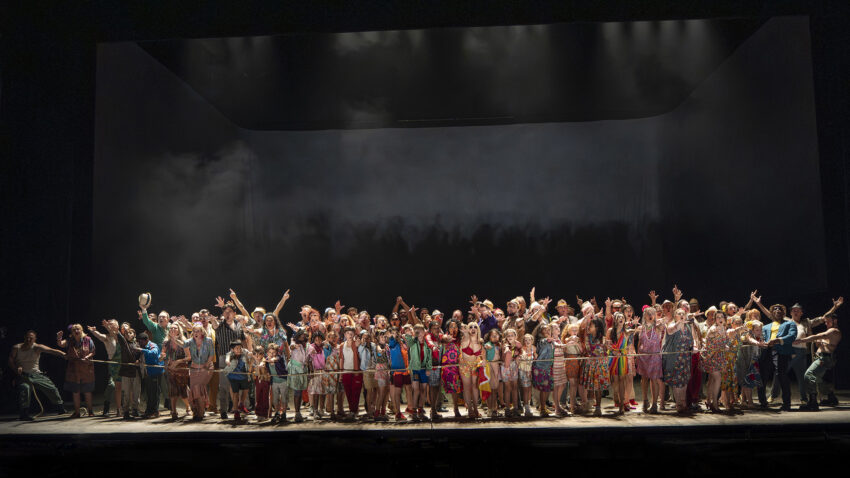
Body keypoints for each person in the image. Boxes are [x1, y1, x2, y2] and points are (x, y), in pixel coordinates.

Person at [752, 294, 797, 411]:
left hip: (781, 352)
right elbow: (761, 337)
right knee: (763, 377)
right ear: (772, 313)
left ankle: (786, 403)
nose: (777, 310)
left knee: (782, 376)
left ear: (784, 312)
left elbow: (792, 336)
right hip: (767, 351)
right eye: (775, 309)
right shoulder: (766, 326)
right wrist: (762, 342)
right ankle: (763, 403)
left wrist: (778, 340)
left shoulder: (789, 323)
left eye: (780, 309)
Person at [9, 330, 66, 420]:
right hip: (23, 375)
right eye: (27, 337)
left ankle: (60, 408)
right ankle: (24, 413)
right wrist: (16, 369)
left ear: (35, 339)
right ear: (24, 337)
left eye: (31, 338)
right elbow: (11, 360)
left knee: (51, 387)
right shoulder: (16, 347)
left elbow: (52, 351)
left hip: (36, 374)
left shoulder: (37, 347)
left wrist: (64, 355)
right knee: (25, 388)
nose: (28, 339)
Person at [795, 311, 842, 410]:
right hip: (821, 357)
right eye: (825, 322)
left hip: (824, 358)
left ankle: (813, 402)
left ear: (835, 321)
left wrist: (802, 340)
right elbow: (818, 343)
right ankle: (831, 397)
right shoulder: (829, 333)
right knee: (819, 380)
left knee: (809, 375)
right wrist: (818, 342)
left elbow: (818, 336)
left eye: (828, 321)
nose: (826, 323)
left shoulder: (834, 331)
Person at [211, 299, 245, 419]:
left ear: (234, 313)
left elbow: (243, 340)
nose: (227, 313)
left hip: (238, 359)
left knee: (237, 386)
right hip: (224, 358)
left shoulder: (239, 325)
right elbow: (214, 325)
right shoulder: (220, 324)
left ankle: (236, 409)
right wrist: (213, 320)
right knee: (224, 387)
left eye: (230, 311)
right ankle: (223, 410)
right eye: (225, 311)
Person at [57, 324, 96, 418]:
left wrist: (87, 357)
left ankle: (90, 411)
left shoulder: (88, 339)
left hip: (86, 369)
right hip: (74, 370)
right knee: (75, 391)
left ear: (81, 330)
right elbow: (61, 344)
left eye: (78, 329)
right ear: (72, 332)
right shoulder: (70, 341)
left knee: (87, 391)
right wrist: (59, 338)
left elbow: (93, 351)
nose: (76, 331)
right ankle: (77, 412)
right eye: (74, 330)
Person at [87, 320, 122, 417]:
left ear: (117, 326)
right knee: (111, 386)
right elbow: (99, 335)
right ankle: (107, 407)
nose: (109, 325)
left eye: (112, 324)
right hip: (113, 366)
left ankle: (128, 408)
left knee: (125, 387)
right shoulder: (107, 337)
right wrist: (93, 331)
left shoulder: (121, 337)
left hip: (123, 365)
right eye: (108, 324)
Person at [183, 322, 214, 421]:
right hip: (194, 369)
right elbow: (182, 344)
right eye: (194, 331)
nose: (196, 332)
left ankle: (200, 413)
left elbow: (211, 355)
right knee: (194, 390)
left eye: (198, 331)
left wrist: (206, 365)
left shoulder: (208, 341)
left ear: (202, 332)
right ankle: (196, 411)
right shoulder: (190, 341)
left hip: (207, 367)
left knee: (197, 388)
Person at [635, 306, 663, 413]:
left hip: (654, 356)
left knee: (654, 379)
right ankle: (645, 400)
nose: (650, 315)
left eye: (652, 313)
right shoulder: (641, 328)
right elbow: (639, 343)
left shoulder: (657, 327)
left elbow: (663, 326)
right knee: (644, 379)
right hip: (643, 356)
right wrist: (637, 355)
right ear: (644, 315)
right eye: (648, 313)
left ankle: (655, 403)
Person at [161, 323, 190, 420]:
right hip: (171, 369)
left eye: (175, 328)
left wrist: (178, 361)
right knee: (172, 390)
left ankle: (188, 407)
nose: (173, 329)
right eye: (171, 328)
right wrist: (162, 356)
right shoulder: (166, 342)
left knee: (183, 391)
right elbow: (162, 354)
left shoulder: (183, 341)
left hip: (182, 370)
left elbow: (189, 357)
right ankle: (173, 411)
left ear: (179, 330)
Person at [132, 332, 164, 418]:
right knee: (149, 393)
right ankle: (149, 411)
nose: (140, 343)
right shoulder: (143, 346)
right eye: (139, 342)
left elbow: (153, 353)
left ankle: (155, 411)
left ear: (146, 340)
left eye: (141, 342)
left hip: (156, 372)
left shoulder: (153, 345)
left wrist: (142, 350)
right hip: (148, 373)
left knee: (155, 393)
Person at [404, 323, 432, 421]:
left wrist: (428, 368)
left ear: (424, 332)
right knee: (416, 390)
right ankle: (414, 411)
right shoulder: (413, 342)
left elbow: (429, 357)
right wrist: (408, 334)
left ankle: (421, 410)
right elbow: (408, 341)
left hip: (424, 369)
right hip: (415, 369)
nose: (419, 333)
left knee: (423, 389)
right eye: (417, 331)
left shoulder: (426, 344)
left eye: (420, 331)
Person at [224, 340, 251, 421]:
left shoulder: (244, 352)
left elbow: (250, 353)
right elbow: (227, 359)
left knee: (246, 389)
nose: (239, 350)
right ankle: (236, 411)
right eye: (237, 348)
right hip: (234, 376)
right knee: (235, 394)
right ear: (232, 349)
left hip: (243, 376)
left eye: (240, 348)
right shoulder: (230, 354)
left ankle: (241, 404)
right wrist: (228, 361)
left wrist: (251, 355)